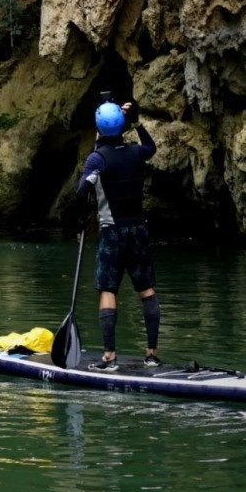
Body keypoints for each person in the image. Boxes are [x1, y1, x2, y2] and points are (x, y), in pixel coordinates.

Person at [75, 99, 160, 372]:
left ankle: (109, 357)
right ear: (122, 126)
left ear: (98, 128)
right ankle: (151, 355)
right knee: (146, 290)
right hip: (139, 229)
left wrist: (82, 211)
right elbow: (151, 148)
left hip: (112, 233)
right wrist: (136, 123)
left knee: (108, 289)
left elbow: (81, 191)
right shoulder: (136, 152)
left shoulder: (97, 158)